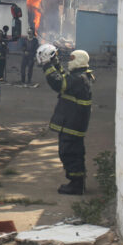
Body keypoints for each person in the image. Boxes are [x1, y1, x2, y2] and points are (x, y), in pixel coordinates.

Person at [39, 46, 95, 195]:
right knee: (73, 152)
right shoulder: (79, 76)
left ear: (79, 60)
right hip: (73, 123)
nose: (69, 62)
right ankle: (78, 182)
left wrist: (47, 65)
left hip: (72, 124)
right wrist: (55, 63)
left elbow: (59, 84)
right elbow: (64, 78)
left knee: (69, 153)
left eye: (72, 59)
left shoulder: (79, 78)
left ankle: (76, 185)